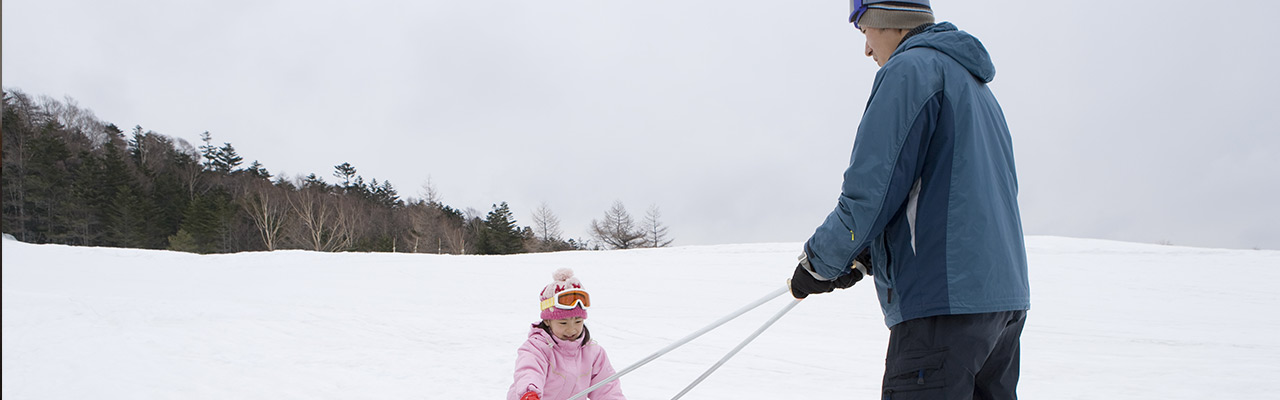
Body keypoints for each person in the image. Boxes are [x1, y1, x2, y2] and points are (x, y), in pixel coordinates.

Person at [786, 1, 1031, 399]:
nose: (866, 49)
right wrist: (868, 255)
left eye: (864, 29)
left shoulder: (909, 71)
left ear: (890, 21)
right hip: (999, 308)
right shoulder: (976, 87)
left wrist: (819, 263)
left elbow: (871, 191)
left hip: (941, 310)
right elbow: (945, 194)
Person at [508, 268, 626, 400]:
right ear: (547, 321)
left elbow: (607, 389)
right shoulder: (536, 348)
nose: (571, 330)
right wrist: (529, 393)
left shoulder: (594, 353)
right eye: (563, 323)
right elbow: (529, 371)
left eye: (578, 321)